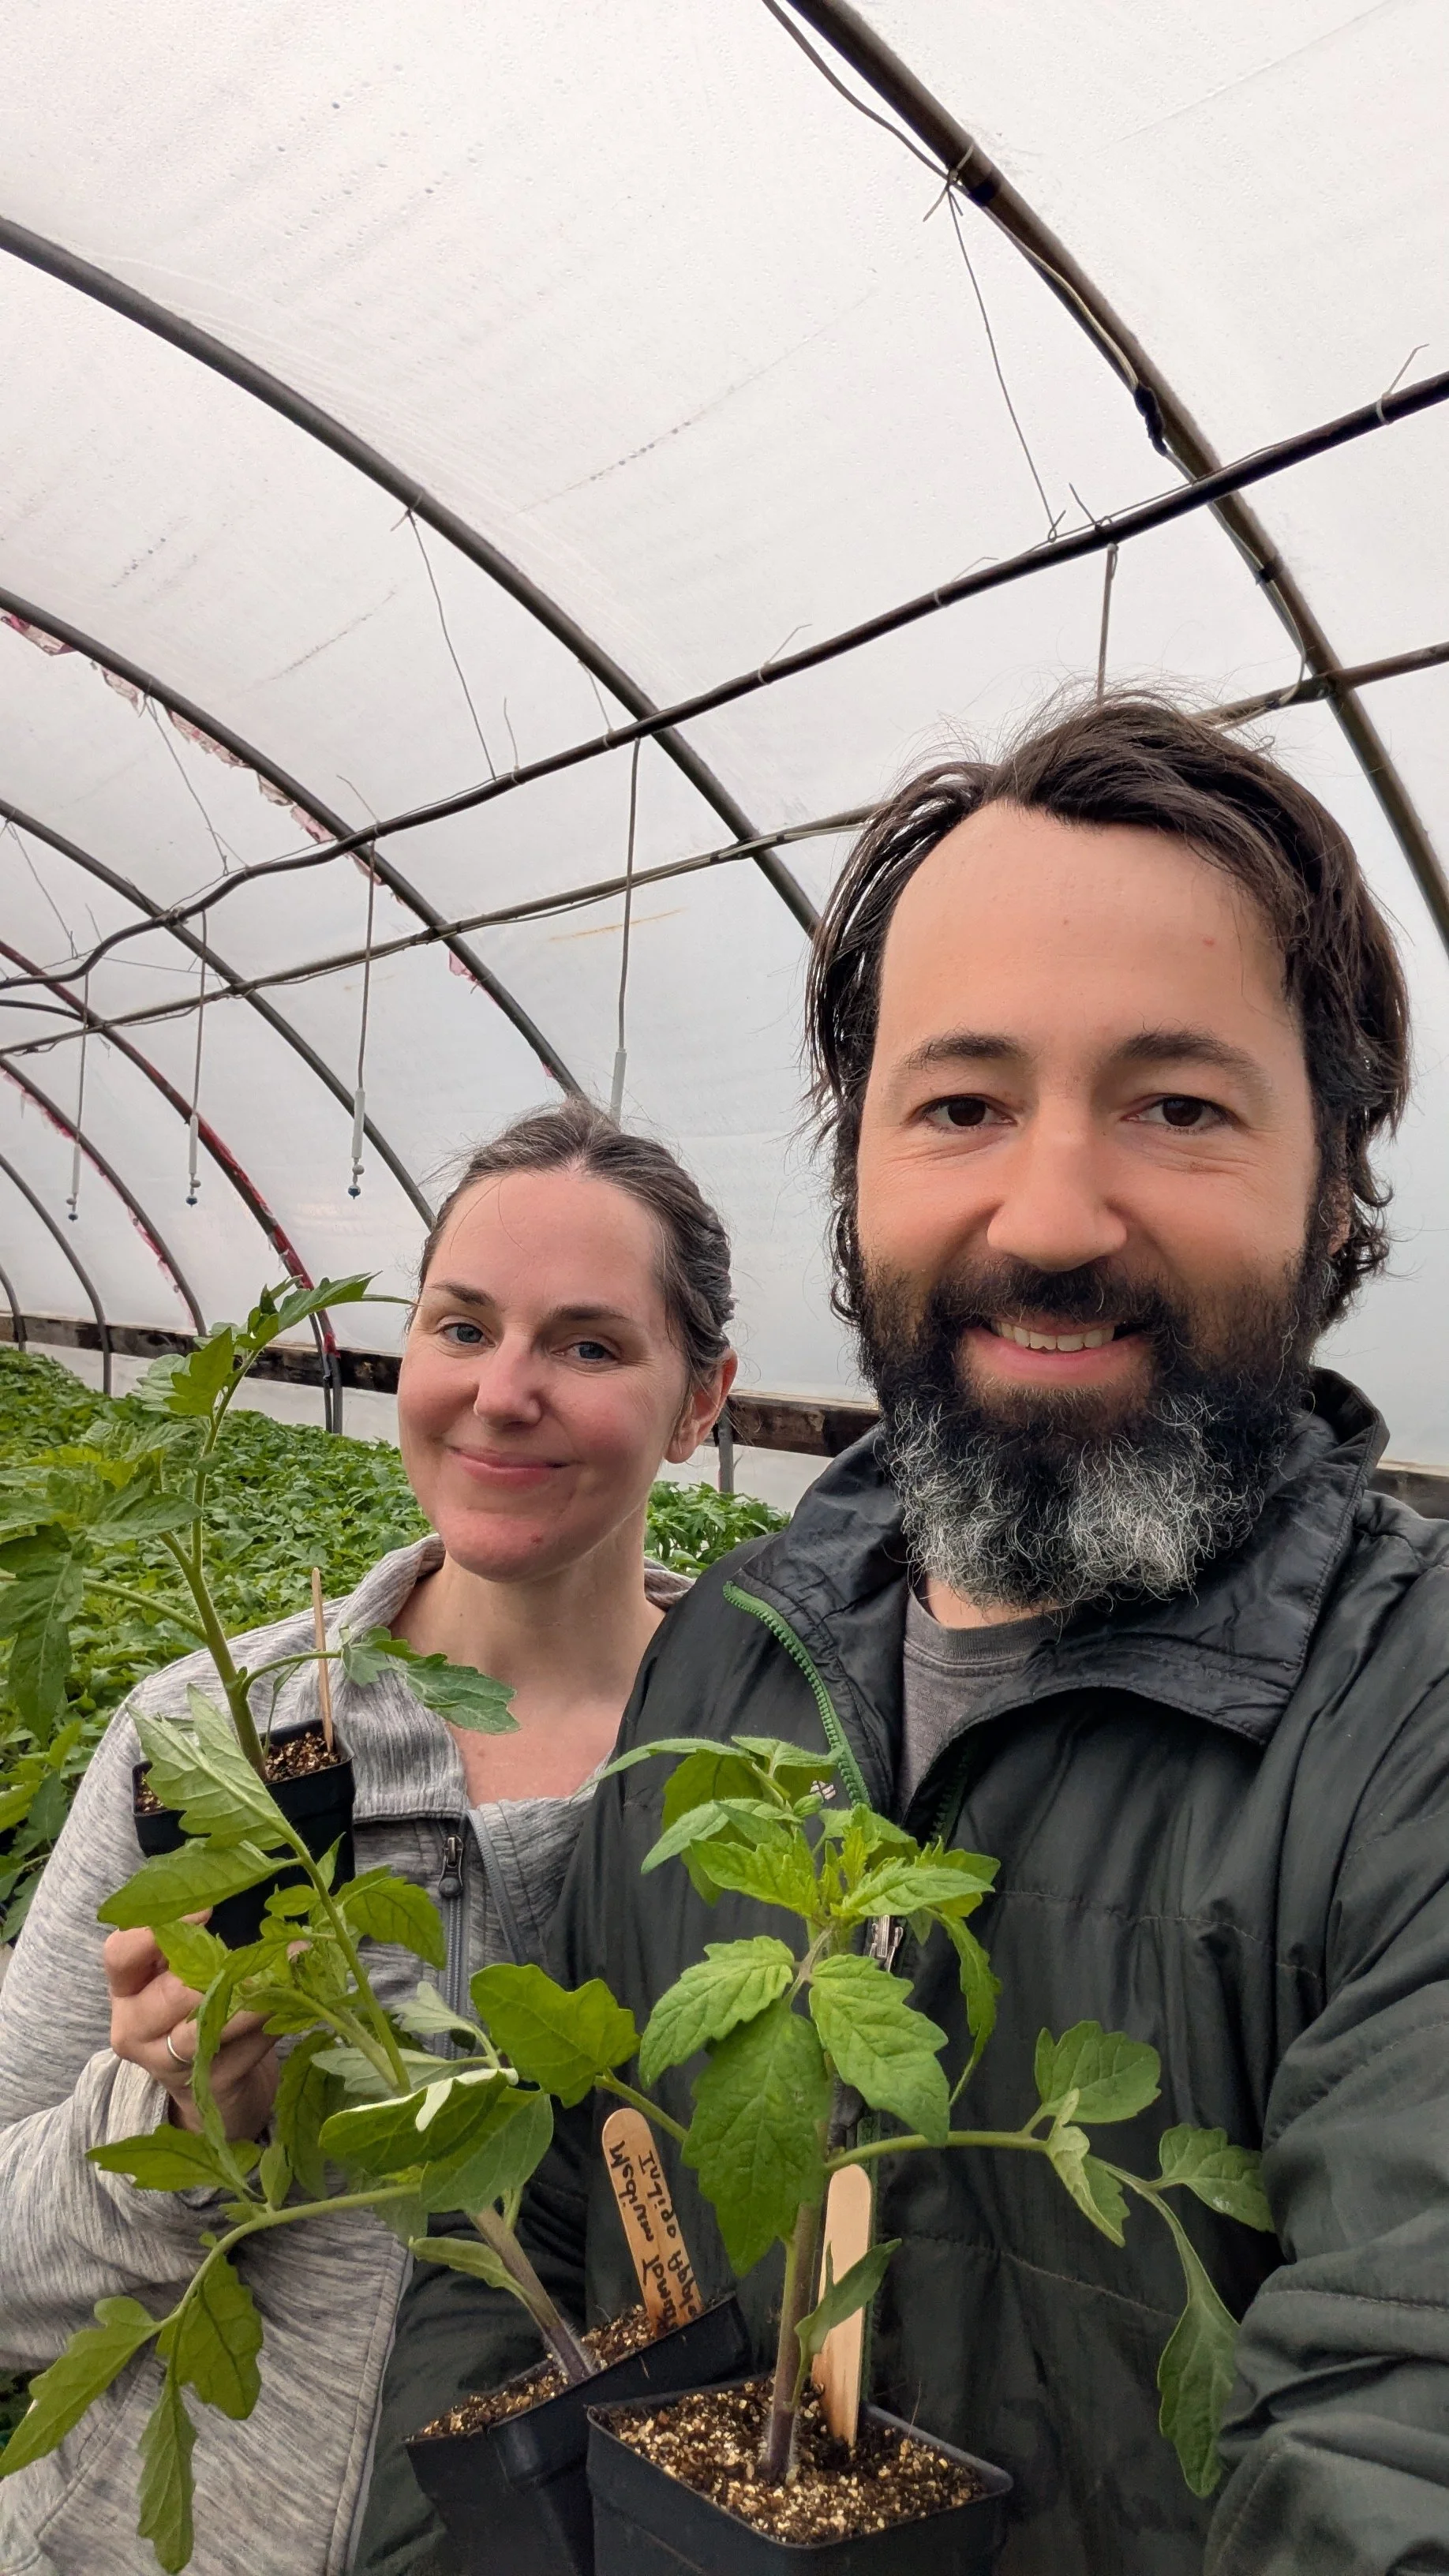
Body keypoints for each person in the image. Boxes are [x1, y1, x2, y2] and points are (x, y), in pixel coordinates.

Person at [366, 697, 1449, 2576]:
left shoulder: (1406, 1733)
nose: (1048, 1214)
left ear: (1335, 1174)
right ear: (856, 1175)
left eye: (1177, 1105)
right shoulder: (738, 1665)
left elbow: (1393, 2456)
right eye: (961, 1104)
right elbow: (549, 2218)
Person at [0, 1100, 736, 2576]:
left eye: (590, 1345)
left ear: (703, 1400)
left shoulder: (769, 1776)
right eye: (462, 1328)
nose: (502, 1392)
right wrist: (183, 2122)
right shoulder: (212, 1737)